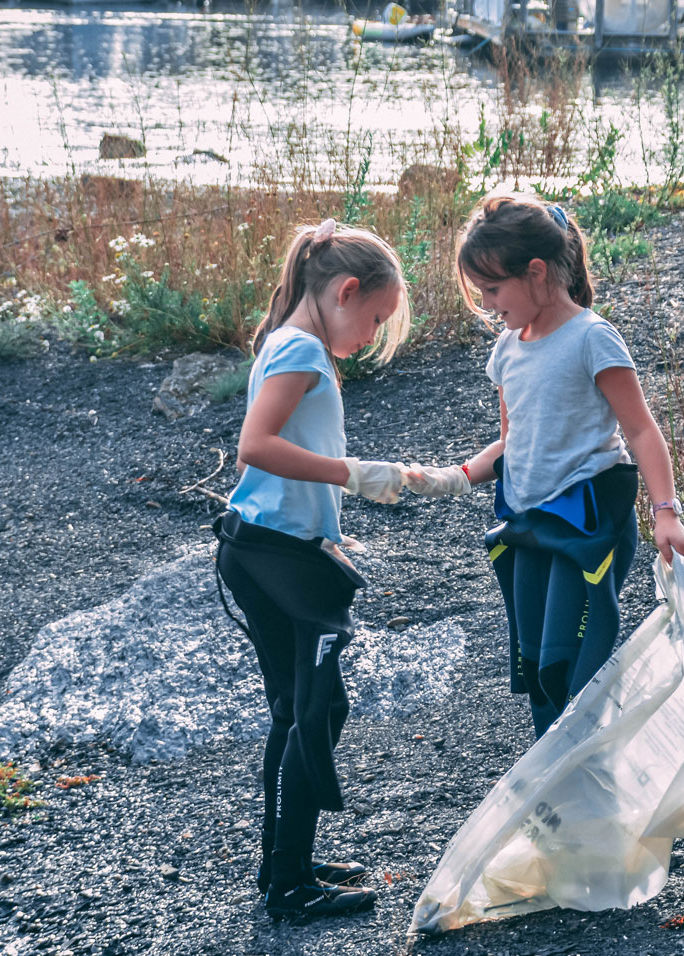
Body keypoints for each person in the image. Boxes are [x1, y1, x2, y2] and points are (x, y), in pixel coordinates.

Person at [403, 194, 684, 737]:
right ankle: (560, 795)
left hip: (587, 523)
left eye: (493, 289)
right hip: (530, 525)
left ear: (536, 273)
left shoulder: (591, 338)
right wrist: (455, 476)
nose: (488, 304)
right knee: (536, 670)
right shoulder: (508, 351)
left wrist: (665, 511)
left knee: (571, 669)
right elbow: (512, 445)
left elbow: (640, 430)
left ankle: (595, 777)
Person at [212, 218, 411, 920]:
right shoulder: (299, 349)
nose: (370, 337)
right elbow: (255, 447)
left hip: (264, 548)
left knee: (296, 711)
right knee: (319, 709)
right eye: (376, 318)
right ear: (345, 291)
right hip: (275, 556)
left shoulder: (287, 341)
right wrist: (355, 475)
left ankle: (283, 865)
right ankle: (291, 885)